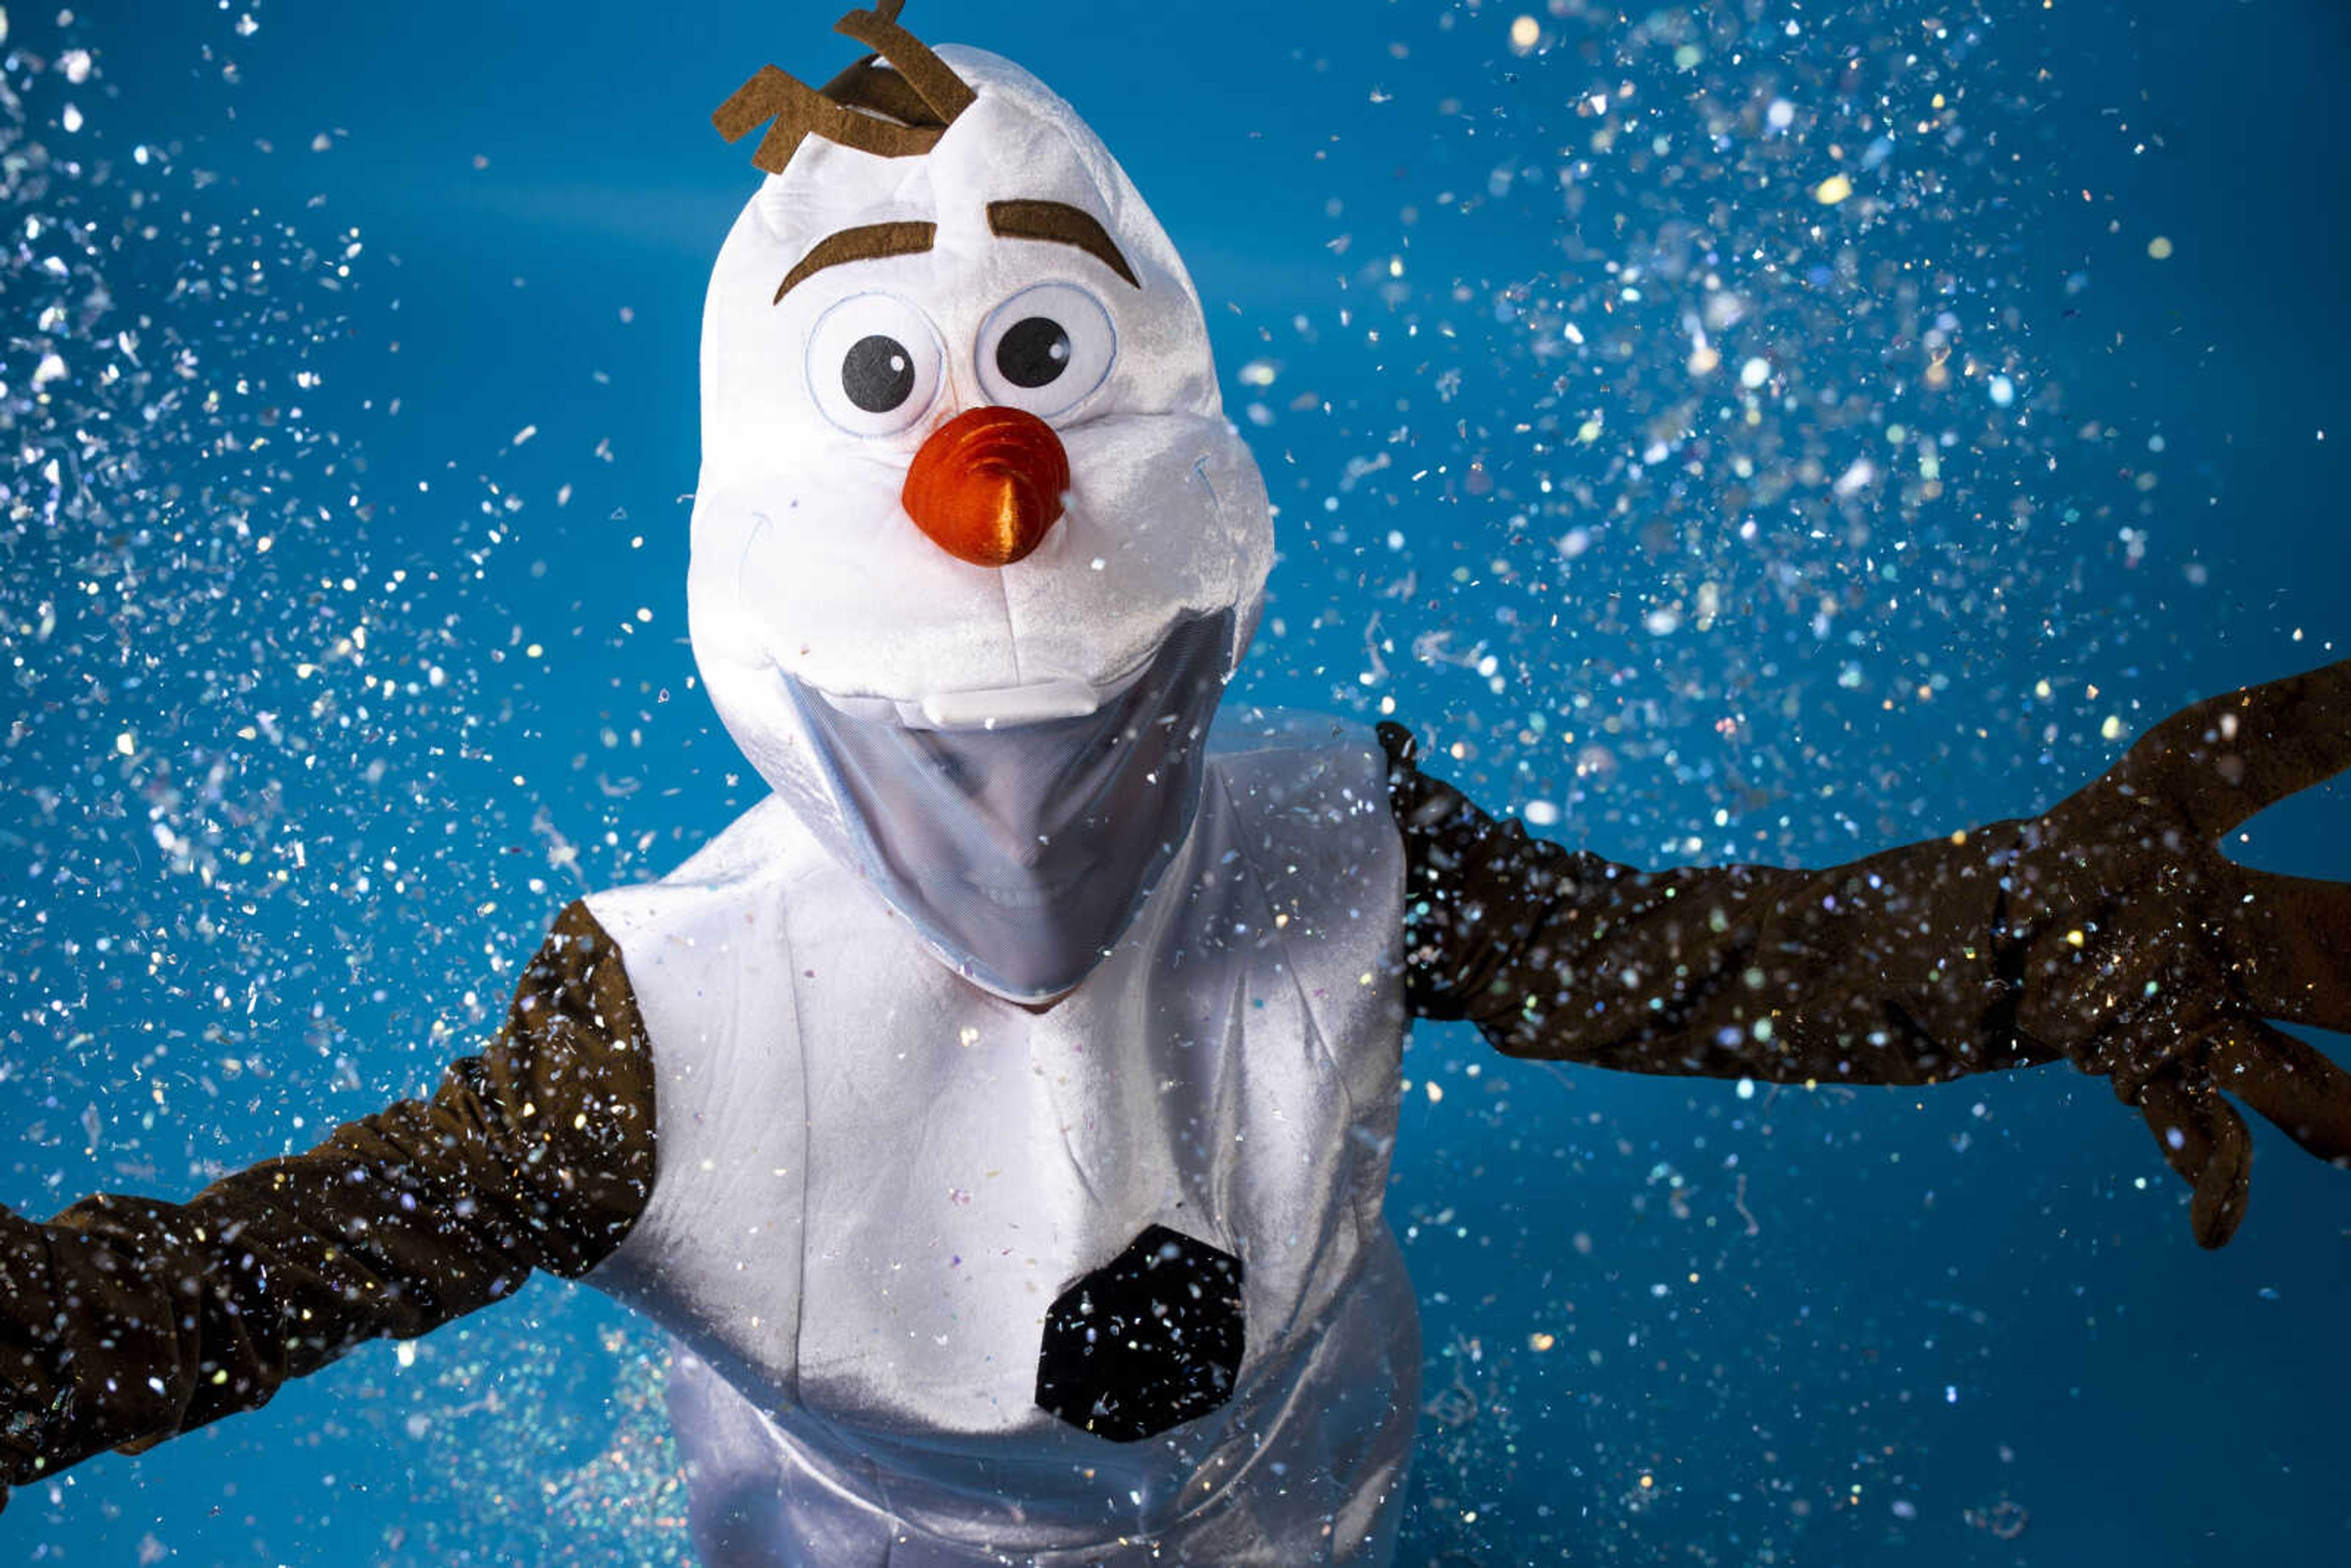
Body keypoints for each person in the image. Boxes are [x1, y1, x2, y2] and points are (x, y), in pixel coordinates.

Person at [6, 5, 2347, 1563]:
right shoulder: (651, 1048)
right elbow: (237, 1279)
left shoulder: (1358, 840)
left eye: (1040, 364)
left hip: (1310, 1484)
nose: (997, 484)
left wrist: (2013, 929)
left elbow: (1706, 970)